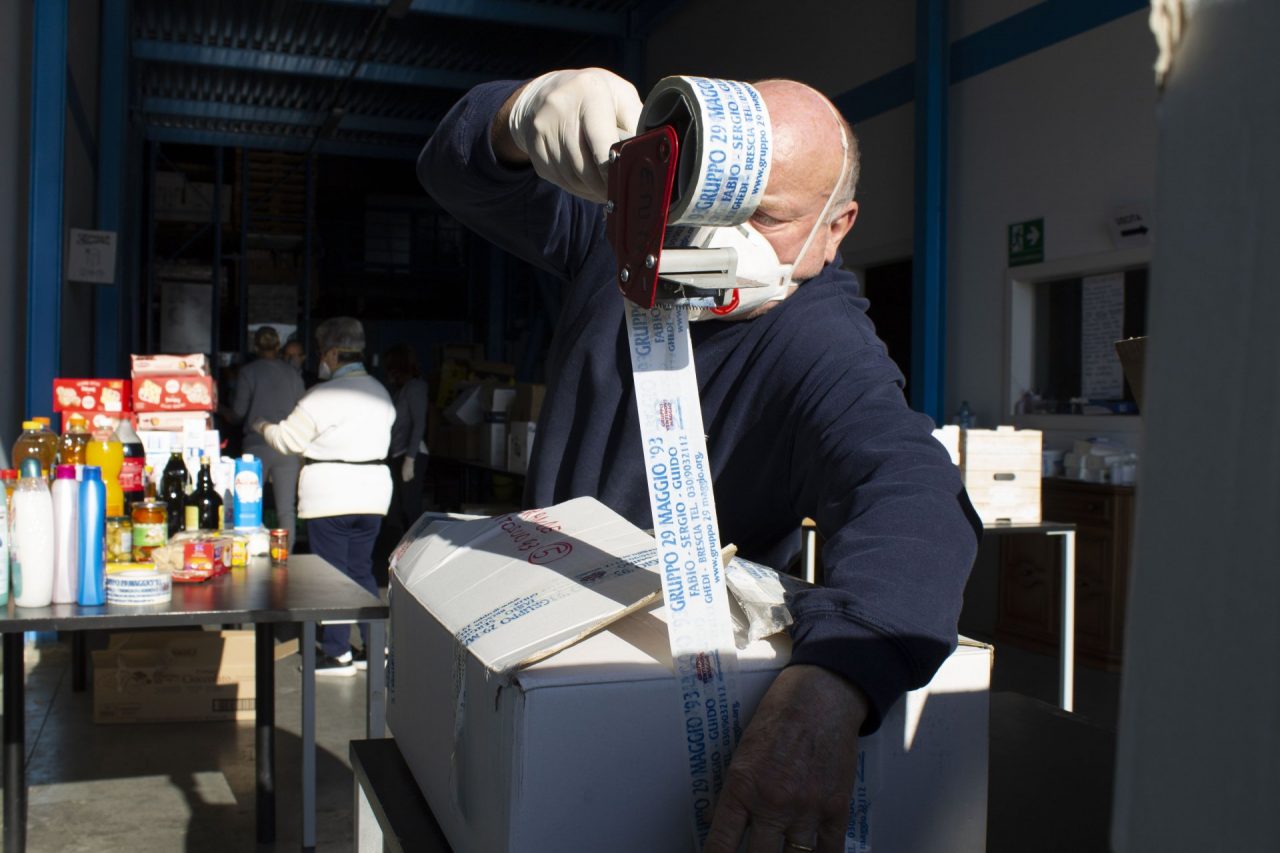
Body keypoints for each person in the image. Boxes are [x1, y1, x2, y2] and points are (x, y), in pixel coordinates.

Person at [418, 69, 980, 851]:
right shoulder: (636, 240)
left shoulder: (818, 345)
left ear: (835, 227)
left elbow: (914, 494)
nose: (718, 238)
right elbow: (455, 173)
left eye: (765, 216)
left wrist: (835, 680)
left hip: (659, 691)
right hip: (535, 626)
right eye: (712, 198)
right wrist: (516, 117)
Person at [254, 317, 397, 676]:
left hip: (330, 495)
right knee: (360, 570)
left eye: (321, 353)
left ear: (332, 354)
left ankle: (337, 653)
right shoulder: (380, 393)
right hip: (373, 494)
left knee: (332, 577)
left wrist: (262, 426)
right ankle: (374, 647)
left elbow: (288, 440)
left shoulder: (321, 396)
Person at [229, 326, 307, 547]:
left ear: (255, 346)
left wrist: (222, 410)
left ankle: (252, 551)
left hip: (256, 447)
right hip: (286, 446)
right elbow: (303, 409)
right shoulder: (292, 374)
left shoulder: (248, 372)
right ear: (278, 346)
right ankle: (286, 556)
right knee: (286, 510)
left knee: (249, 505)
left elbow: (238, 413)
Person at [382, 344, 430, 529]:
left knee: (410, 508)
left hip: (411, 455)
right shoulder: (401, 390)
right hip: (398, 454)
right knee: (395, 509)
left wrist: (410, 459)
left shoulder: (415, 388)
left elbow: (419, 424)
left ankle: (416, 543)